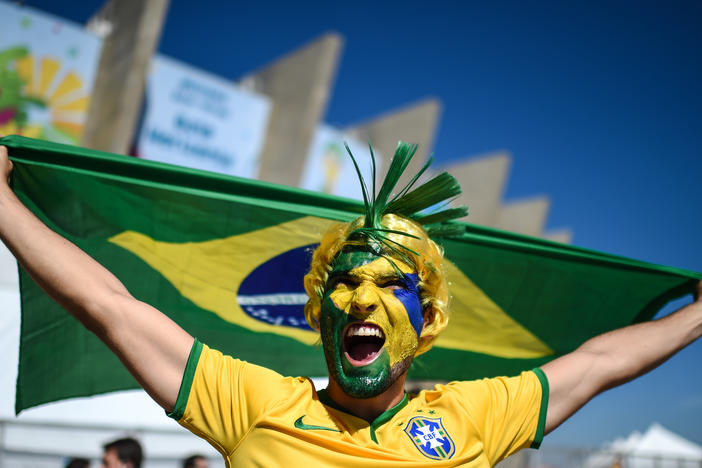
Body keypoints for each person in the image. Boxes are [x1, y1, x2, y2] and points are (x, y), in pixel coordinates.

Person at [0, 142, 700, 467]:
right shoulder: (255, 405)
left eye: (393, 285)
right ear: (320, 312)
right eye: (344, 282)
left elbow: (601, 361)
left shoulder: (472, 416)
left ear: (425, 320)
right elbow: (108, 304)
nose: (363, 296)